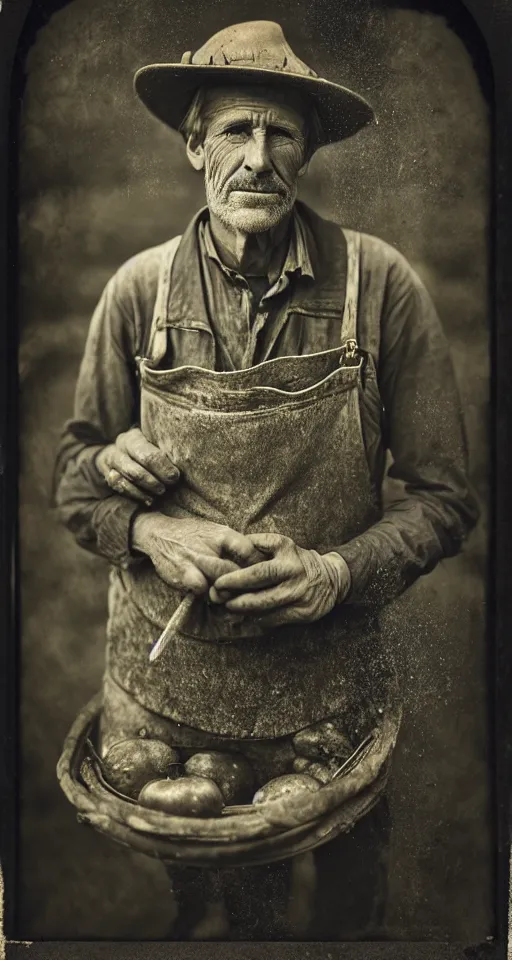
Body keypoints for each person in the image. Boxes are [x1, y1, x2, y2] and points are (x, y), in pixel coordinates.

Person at [54, 20, 478, 940]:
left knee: (346, 913)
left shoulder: (382, 286)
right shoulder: (138, 293)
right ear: (194, 142)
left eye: (282, 133)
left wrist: (334, 574)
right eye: (236, 130)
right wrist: (146, 527)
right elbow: (74, 479)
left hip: (329, 694)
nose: (258, 158)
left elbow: (446, 501)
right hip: (171, 698)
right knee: (216, 915)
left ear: (309, 149)